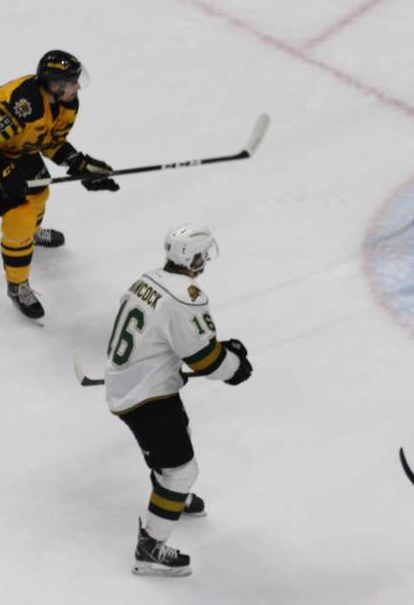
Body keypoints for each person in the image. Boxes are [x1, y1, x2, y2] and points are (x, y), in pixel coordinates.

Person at [105, 224, 253, 577]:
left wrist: (162, 363)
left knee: (177, 435)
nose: (205, 261)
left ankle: (172, 498)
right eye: (202, 255)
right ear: (191, 257)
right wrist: (235, 366)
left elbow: (158, 334)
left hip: (137, 382)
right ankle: (150, 549)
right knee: (181, 471)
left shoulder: (148, 279)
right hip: (145, 396)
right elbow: (205, 360)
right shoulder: (186, 297)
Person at [0, 49, 119, 318]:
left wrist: (79, 164)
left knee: (39, 193)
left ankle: (30, 235)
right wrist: (4, 171)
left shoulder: (67, 103)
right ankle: (17, 286)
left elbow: (49, 142)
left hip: (13, 144)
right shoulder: (21, 105)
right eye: (72, 82)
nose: (77, 86)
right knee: (19, 215)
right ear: (55, 85)